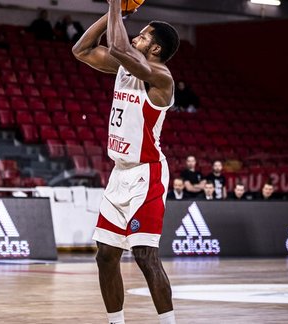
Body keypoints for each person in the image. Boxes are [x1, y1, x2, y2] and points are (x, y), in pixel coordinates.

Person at [73, 1, 179, 323]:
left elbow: (119, 47)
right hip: (119, 174)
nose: (136, 38)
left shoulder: (160, 77)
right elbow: (81, 49)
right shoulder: (125, 68)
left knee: (145, 256)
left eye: (144, 37)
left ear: (156, 48)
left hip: (147, 175)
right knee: (105, 255)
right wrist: (112, 13)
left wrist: (116, 3)